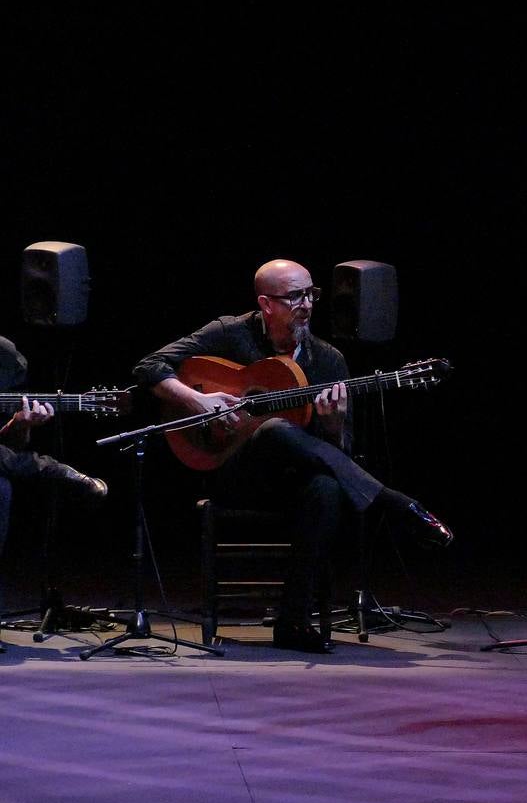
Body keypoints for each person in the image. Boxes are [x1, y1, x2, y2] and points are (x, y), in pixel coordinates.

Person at [132, 259, 453, 654]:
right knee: (273, 429)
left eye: (311, 294)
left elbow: (337, 456)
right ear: (266, 304)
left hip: (287, 483)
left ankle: (292, 622)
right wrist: (197, 399)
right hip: (228, 470)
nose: (307, 304)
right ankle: (391, 502)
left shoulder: (327, 360)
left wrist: (333, 426)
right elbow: (149, 366)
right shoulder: (228, 333)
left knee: (325, 488)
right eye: (295, 296)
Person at [0, 335, 109, 558]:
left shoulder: (5, 355)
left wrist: (20, 424)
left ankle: (53, 470)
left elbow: (11, 445)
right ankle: (56, 471)